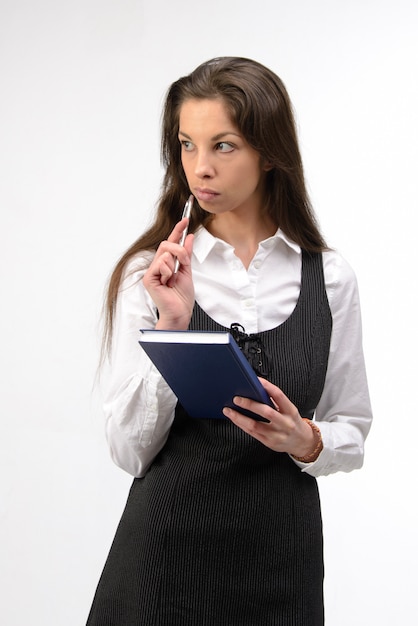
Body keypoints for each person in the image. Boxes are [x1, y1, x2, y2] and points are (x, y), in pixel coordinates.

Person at [86, 57, 372, 626]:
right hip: (165, 560)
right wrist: (171, 325)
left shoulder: (329, 278)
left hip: (278, 563)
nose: (200, 168)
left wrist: (307, 439)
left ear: (268, 152)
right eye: (187, 146)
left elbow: (353, 429)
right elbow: (128, 451)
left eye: (223, 146)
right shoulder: (153, 274)